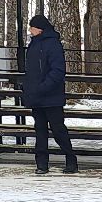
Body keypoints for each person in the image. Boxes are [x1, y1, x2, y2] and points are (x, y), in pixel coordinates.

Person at [21, 13, 75, 174]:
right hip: (37, 96)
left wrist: (42, 87)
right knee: (40, 131)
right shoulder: (34, 45)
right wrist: (29, 87)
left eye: (32, 27)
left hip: (51, 97)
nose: (30, 30)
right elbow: (31, 70)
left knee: (58, 130)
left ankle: (70, 159)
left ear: (39, 29)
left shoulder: (53, 45)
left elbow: (58, 71)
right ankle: (41, 164)